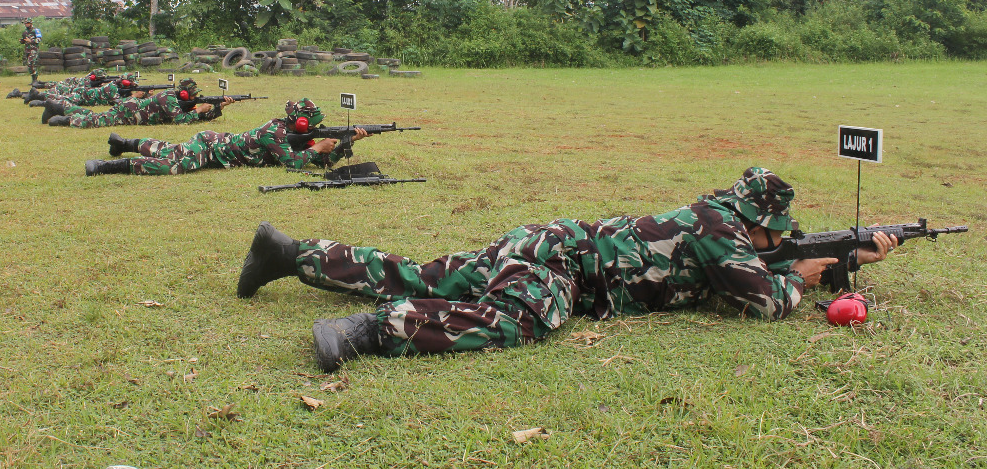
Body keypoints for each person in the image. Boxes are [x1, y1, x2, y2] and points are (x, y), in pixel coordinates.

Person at [233, 167, 900, 372]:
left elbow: (748, 276)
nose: (768, 240)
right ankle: (369, 331)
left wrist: (839, 263)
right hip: (567, 267)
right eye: (769, 232)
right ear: (753, 217)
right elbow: (761, 300)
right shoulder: (720, 229)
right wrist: (805, 277)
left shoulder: (717, 219)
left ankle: (288, 253)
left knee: (425, 273)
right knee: (518, 317)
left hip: (547, 238)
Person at [84, 98, 367, 176]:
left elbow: (319, 163)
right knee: (175, 164)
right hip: (212, 147)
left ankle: (124, 144)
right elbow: (293, 164)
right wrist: (318, 147)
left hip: (213, 143)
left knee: (169, 150)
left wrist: (343, 144)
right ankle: (108, 166)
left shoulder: (293, 134)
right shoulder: (274, 131)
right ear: (301, 122)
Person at [51, 77, 227, 129]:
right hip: (130, 112)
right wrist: (199, 110)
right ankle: (65, 119)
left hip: (133, 110)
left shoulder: (179, 100)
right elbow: (181, 119)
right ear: (183, 92)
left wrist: (219, 107)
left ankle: (63, 108)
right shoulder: (169, 97)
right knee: (99, 120)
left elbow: (195, 115)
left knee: (98, 115)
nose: (194, 98)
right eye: (192, 95)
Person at [21, 18, 40, 83]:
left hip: (34, 49)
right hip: (27, 50)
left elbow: (39, 39)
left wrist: (31, 41)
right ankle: (33, 79)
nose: (26, 25)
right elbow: (24, 40)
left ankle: (35, 79)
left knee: (31, 63)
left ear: (31, 23)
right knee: (29, 65)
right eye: (25, 23)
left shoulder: (36, 30)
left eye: (28, 23)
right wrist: (22, 41)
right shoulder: (25, 32)